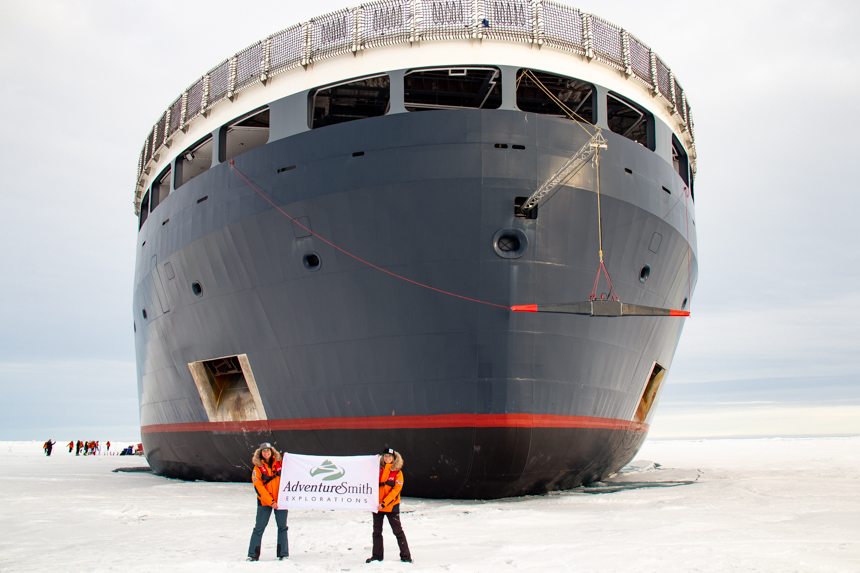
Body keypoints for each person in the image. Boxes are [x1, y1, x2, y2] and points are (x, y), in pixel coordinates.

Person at [367, 448, 412, 563]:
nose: (387, 458)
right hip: (377, 507)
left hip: (391, 507)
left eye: (389, 457)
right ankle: (377, 556)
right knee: (376, 532)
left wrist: (384, 503)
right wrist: (373, 460)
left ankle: (406, 556)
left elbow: (396, 491)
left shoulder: (398, 473)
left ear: (394, 458)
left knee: (398, 531)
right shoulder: (377, 470)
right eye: (385, 456)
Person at [247, 442, 288, 561]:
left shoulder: (281, 463)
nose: (266, 453)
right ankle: (252, 555)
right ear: (260, 453)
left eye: (268, 451)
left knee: (282, 527)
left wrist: (289, 457)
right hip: (265, 503)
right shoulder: (257, 469)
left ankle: (283, 554)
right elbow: (259, 488)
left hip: (280, 501)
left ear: (272, 451)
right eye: (263, 451)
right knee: (259, 528)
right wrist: (271, 502)